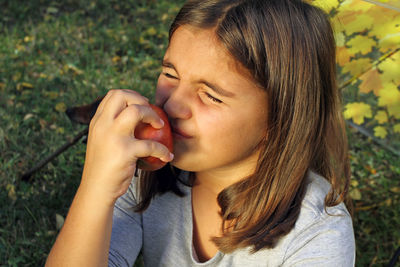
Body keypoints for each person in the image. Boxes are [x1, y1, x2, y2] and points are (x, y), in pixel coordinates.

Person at [46, 0, 356, 266]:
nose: (173, 104)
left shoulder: (317, 234)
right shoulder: (142, 175)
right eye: (170, 74)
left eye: (211, 95)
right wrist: (96, 187)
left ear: (281, 117)